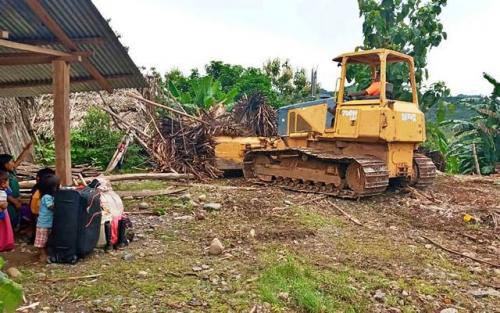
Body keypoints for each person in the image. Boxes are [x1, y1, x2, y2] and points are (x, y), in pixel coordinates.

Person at [0, 142, 32, 228]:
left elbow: (19, 160)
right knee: (9, 220)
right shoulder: (2, 176)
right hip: (9, 203)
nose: (14, 163)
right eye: (11, 162)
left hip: (15, 201)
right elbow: (4, 192)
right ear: (5, 164)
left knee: (15, 220)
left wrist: (26, 150)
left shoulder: (11, 172)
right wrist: (15, 202)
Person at [34, 174, 60, 263]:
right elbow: (51, 207)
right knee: (41, 241)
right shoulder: (46, 197)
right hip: (44, 224)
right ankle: (42, 254)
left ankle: (46, 253)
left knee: (48, 240)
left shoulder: (50, 196)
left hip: (50, 223)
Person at [29, 168, 55, 243]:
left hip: (42, 219)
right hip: (41, 219)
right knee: (41, 238)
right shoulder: (43, 195)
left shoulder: (42, 192)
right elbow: (36, 208)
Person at [0, 170, 15, 252]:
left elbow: (10, 192)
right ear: (3, 183)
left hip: (4, 212)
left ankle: (5, 243)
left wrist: (6, 186)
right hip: (2, 211)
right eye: (8, 181)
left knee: (4, 228)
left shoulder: (5, 190)